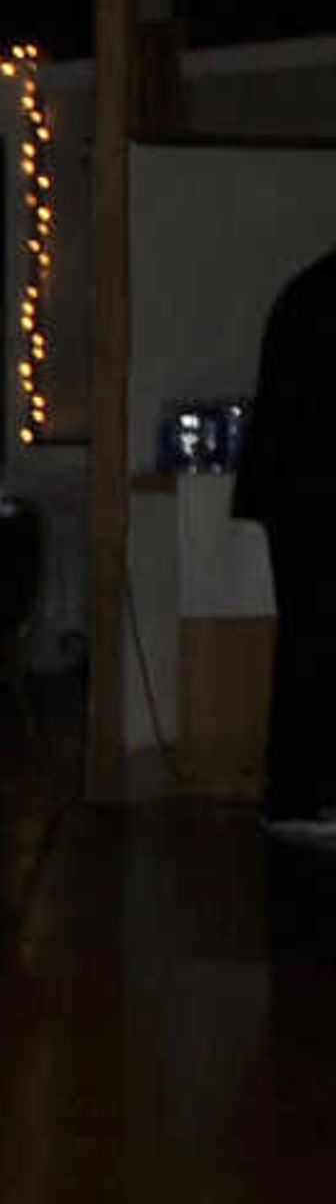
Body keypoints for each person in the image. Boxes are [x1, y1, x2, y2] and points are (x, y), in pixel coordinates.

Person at [242, 238, 336, 848]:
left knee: (309, 640)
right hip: (314, 496)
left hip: (298, 494)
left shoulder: (310, 290)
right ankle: (303, 795)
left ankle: (299, 794)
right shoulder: (321, 298)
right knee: (315, 643)